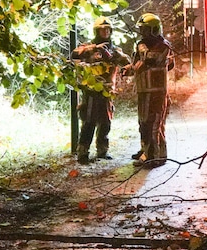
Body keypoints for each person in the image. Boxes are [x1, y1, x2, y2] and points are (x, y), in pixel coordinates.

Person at [70, 17, 130, 163]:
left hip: (107, 92)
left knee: (105, 122)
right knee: (88, 122)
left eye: (108, 30)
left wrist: (122, 61)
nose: (106, 32)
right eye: (103, 30)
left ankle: (102, 151)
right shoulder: (88, 47)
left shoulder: (114, 50)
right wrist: (95, 48)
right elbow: (73, 55)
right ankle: (83, 152)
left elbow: (128, 64)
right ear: (96, 31)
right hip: (91, 91)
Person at [125, 12, 174, 168]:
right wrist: (129, 69)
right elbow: (138, 64)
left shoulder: (163, 46)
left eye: (145, 29)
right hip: (144, 91)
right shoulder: (142, 45)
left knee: (153, 125)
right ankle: (146, 151)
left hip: (157, 93)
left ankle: (154, 157)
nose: (142, 33)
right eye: (141, 29)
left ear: (154, 29)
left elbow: (150, 59)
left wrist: (141, 49)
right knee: (143, 123)